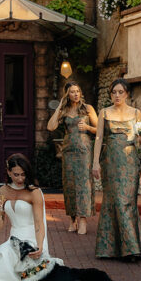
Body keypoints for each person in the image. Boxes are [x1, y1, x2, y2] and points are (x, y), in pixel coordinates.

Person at [91, 78, 141, 261]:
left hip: (130, 162)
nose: (117, 95)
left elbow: (140, 140)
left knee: (126, 202)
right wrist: (95, 163)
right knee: (111, 202)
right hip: (111, 162)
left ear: (127, 93)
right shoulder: (104, 113)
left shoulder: (136, 113)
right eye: (114, 92)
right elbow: (99, 138)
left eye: (120, 92)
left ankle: (131, 249)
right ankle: (108, 249)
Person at [0, 154, 52, 281]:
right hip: (14, 238)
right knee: (1, 255)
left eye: (23, 174)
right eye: (16, 174)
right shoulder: (2, 191)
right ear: (9, 172)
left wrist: (40, 246)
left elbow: (39, 223)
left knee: (31, 274)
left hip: (33, 238)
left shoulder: (34, 192)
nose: (20, 179)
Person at [47, 82, 97, 235]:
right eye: (72, 92)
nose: (76, 94)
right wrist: (59, 107)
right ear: (67, 95)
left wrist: (88, 128)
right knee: (69, 184)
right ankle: (72, 218)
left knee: (83, 184)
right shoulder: (65, 110)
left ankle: (82, 219)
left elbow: (99, 129)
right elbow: (51, 127)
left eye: (78, 91)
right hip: (68, 150)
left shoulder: (88, 108)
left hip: (84, 150)